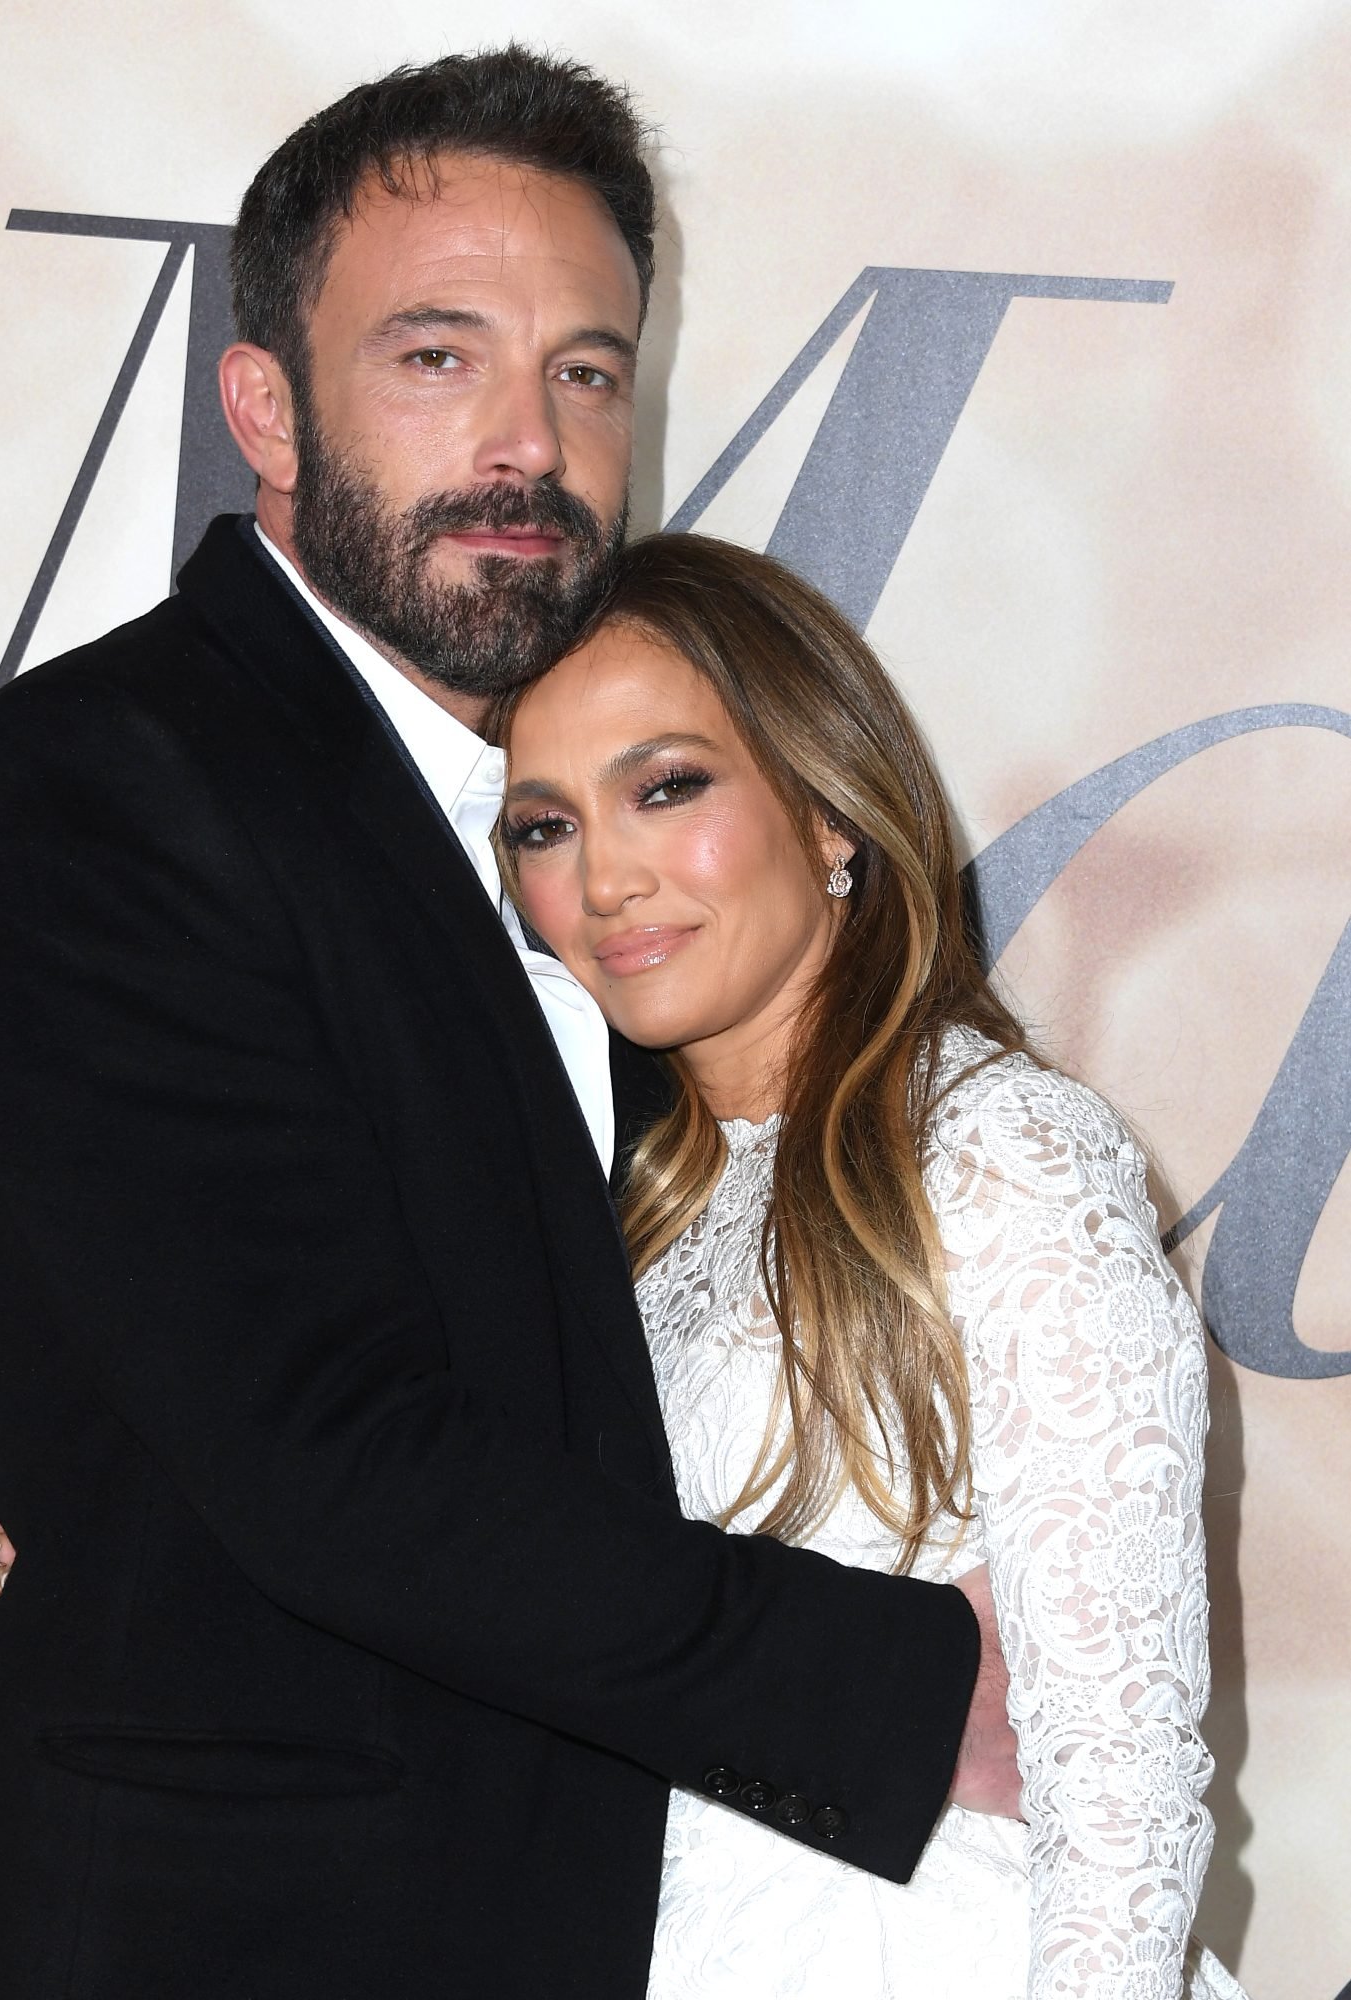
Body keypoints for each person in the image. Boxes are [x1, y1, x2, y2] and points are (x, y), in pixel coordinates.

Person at [0, 49, 1009, 2000]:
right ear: (265, 407)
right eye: (435, 356)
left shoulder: (596, 849)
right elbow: (330, 1453)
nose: (528, 442)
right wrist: (907, 1692)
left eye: (587, 371)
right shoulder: (88, 793)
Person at [494, 531, 1247, 1999]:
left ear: (829, 809)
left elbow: (1121, 1773)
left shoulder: (1001, 1148)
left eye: (666, 788)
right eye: (543, 826)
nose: (605, 878)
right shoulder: (617, 1211)